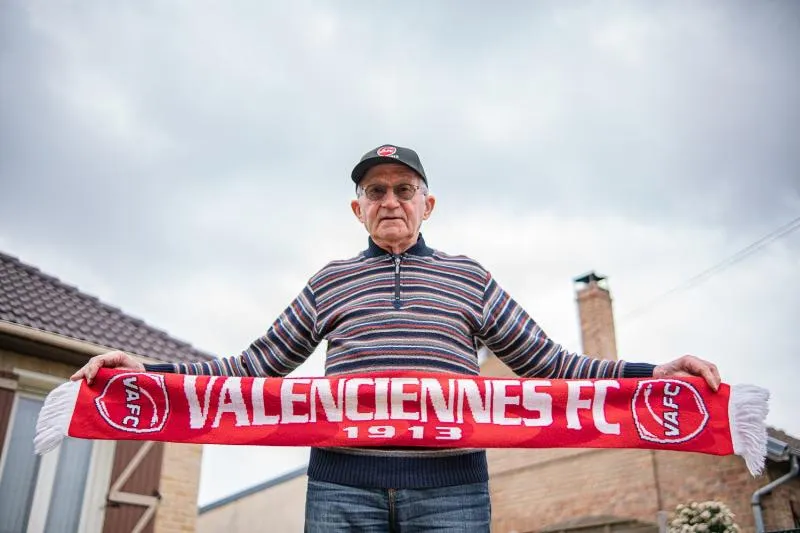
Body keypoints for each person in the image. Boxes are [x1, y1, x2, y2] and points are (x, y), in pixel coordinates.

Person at [72, 144, 721, 532]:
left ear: (427, 203)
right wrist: (147, 373)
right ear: (358, 207)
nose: (390, 200)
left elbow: (550, 364)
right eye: (375, 190)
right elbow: (254, 366)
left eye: (403, 189)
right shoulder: (328, 282)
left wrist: (648, 374)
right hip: (340, 490)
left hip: (454, 492)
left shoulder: (471, 278)